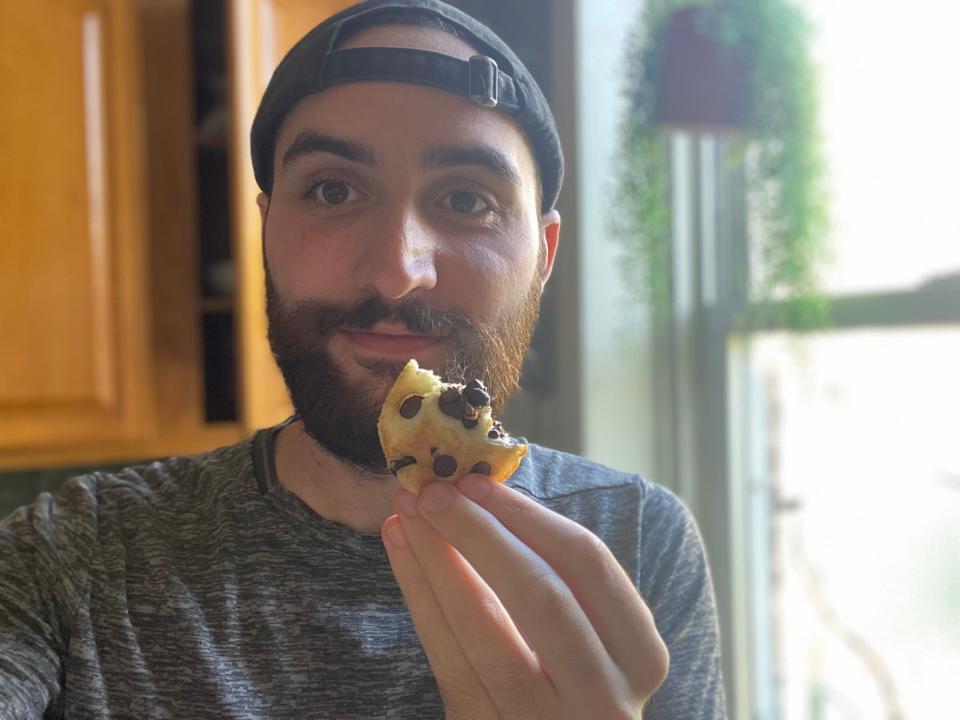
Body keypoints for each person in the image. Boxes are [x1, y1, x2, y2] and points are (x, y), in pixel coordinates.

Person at [0, 1, 726, 717]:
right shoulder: (76, 557)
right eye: (332, 189)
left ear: (543, 257)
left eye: (468, 199)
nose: (396, 271)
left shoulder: (634, 541)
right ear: (266, 232)